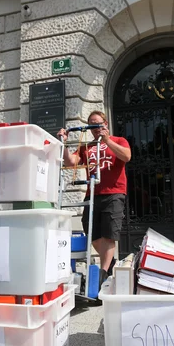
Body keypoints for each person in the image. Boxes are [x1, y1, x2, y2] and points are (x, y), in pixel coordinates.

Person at [58, 110, 131, 281]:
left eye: (98, 123)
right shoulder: (87, 147)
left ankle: (103, 274)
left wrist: (107, 141)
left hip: (114, 192)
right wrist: (64, 144)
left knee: (109, 233)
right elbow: (72, 162)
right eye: (92, 124)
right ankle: (110, 262)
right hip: (93, 193)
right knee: (93, 233)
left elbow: (126, 156)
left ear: (105, 124)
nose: (96, 127)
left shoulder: (118, 141)